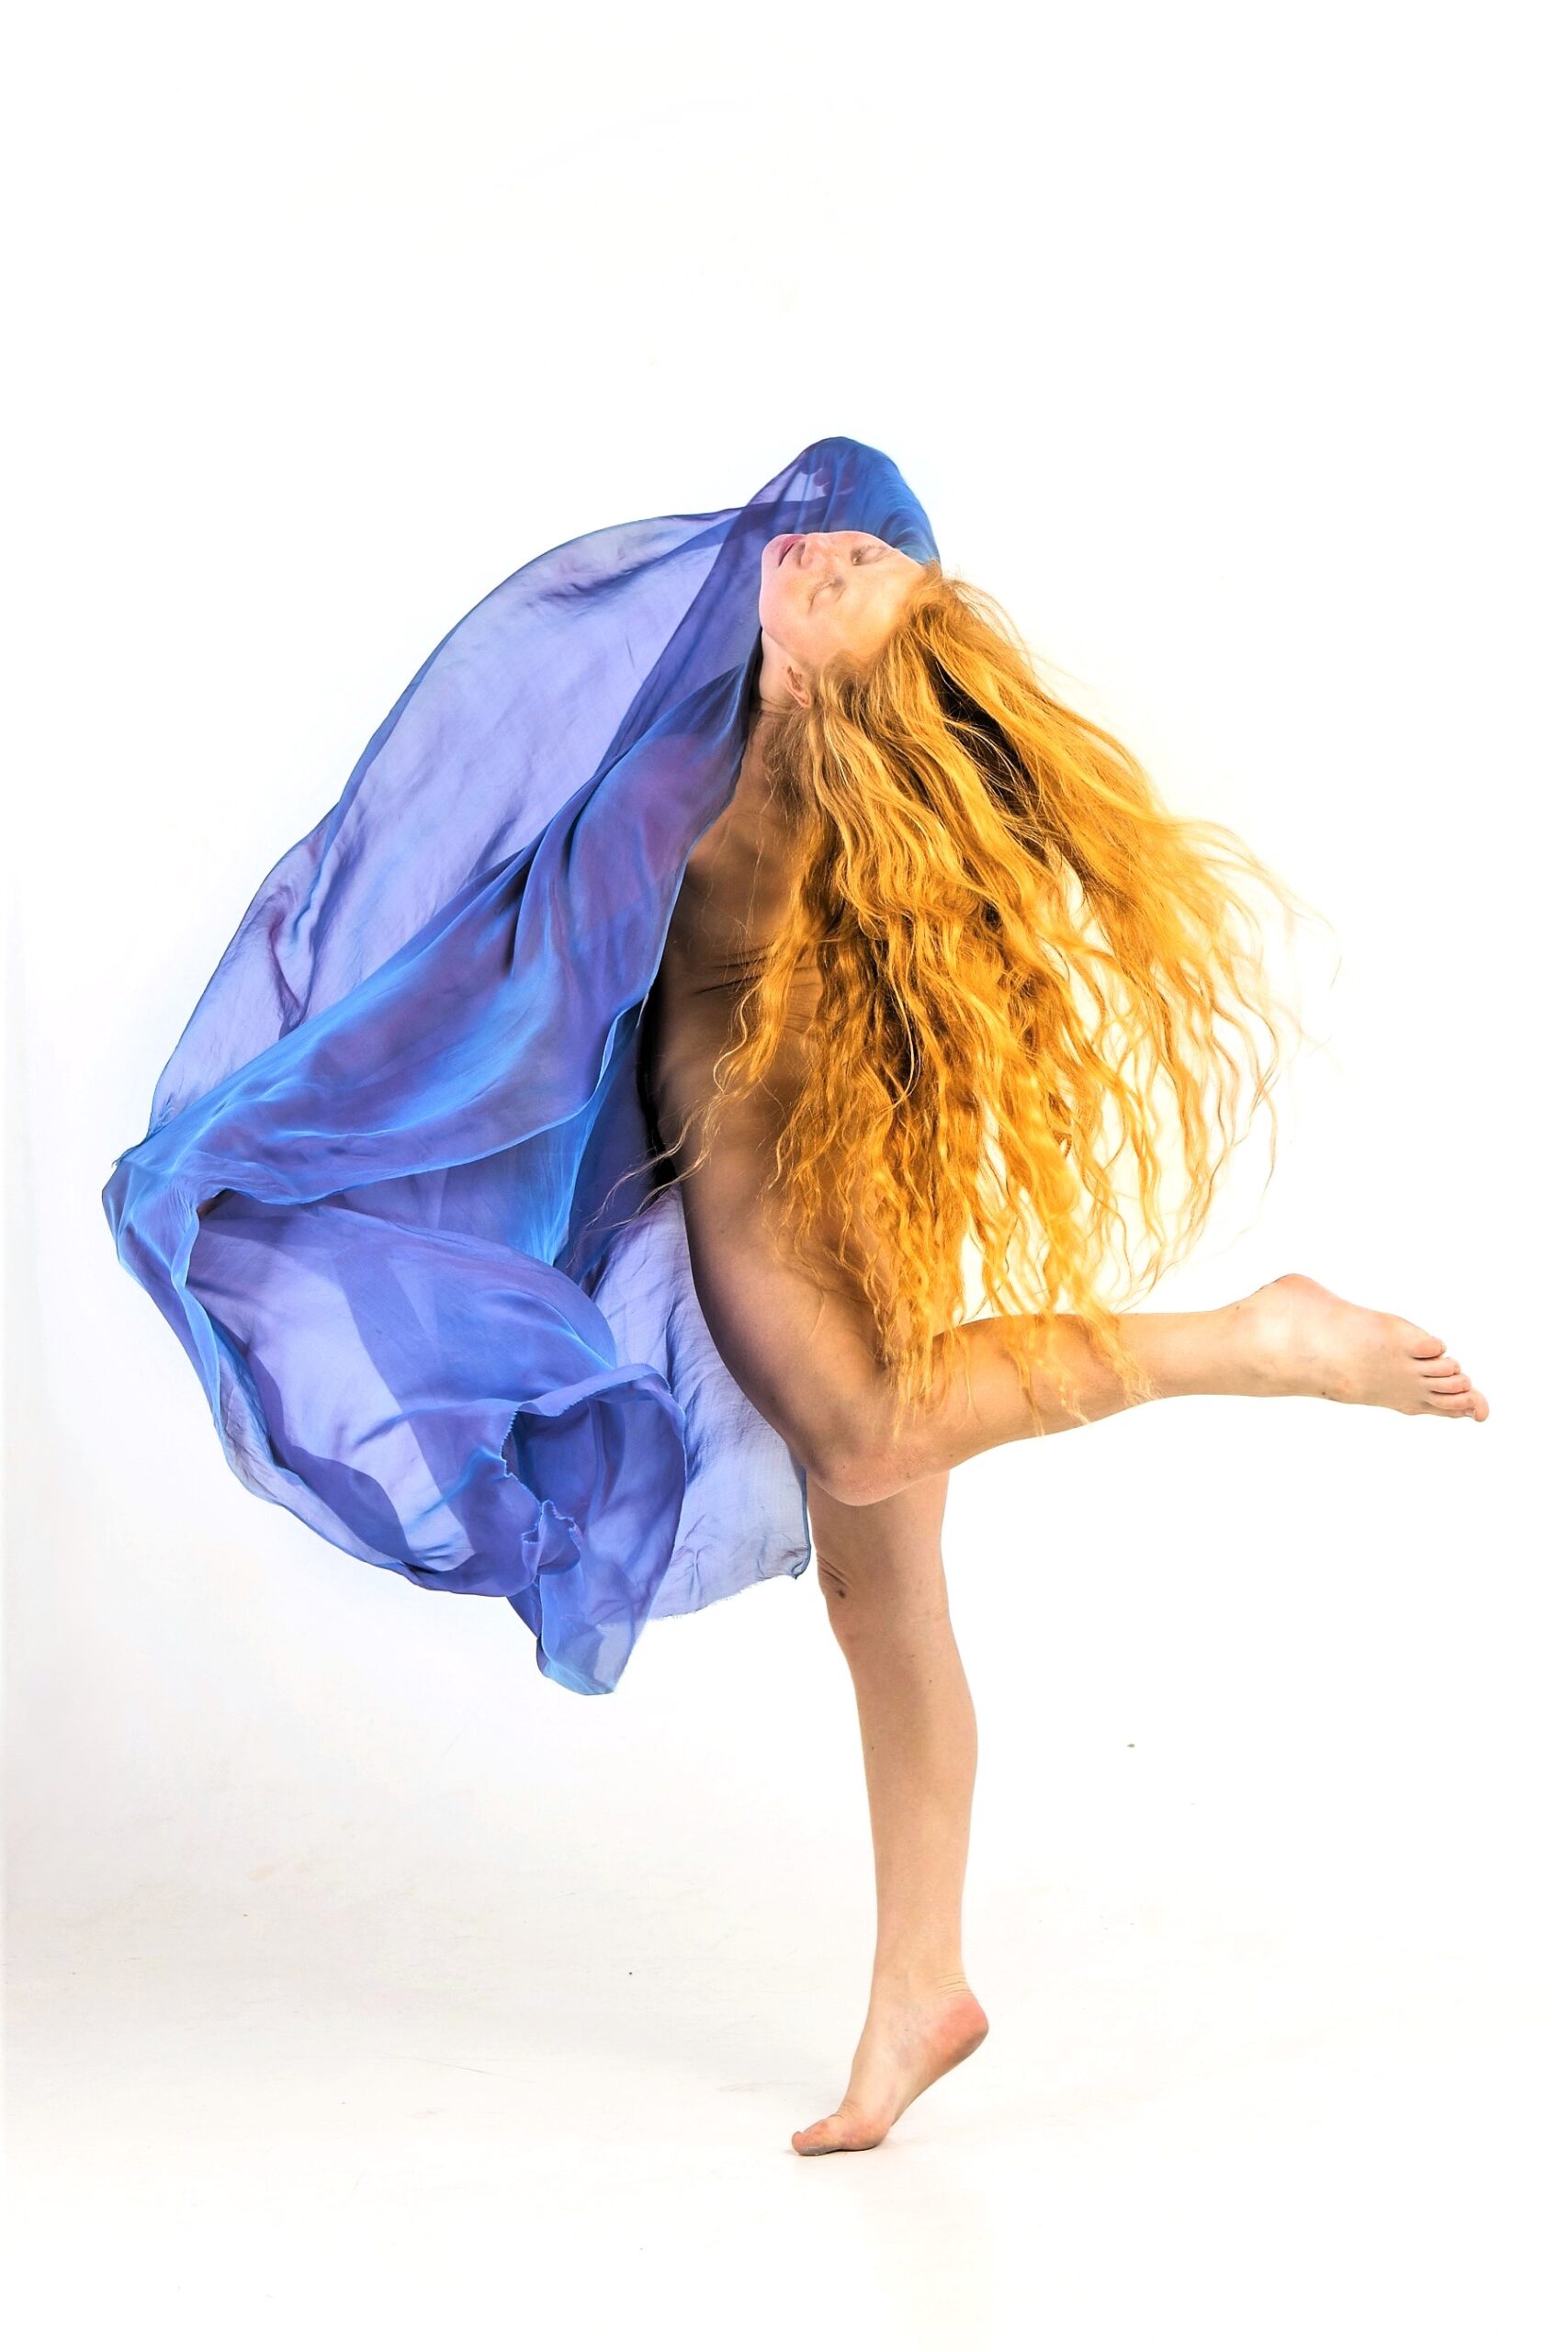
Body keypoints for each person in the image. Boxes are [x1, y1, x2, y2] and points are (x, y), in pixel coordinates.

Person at [639, 524, 1488, 2155]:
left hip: (763, 1138)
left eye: (844, 583)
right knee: (879, 1590)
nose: (821, 552)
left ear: (818, 699)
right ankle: (922, 1987)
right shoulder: (756, 675)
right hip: (831, 1112)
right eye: (850, 555)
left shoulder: (727, 751)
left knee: (865, 1436)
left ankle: (1251, 1341)